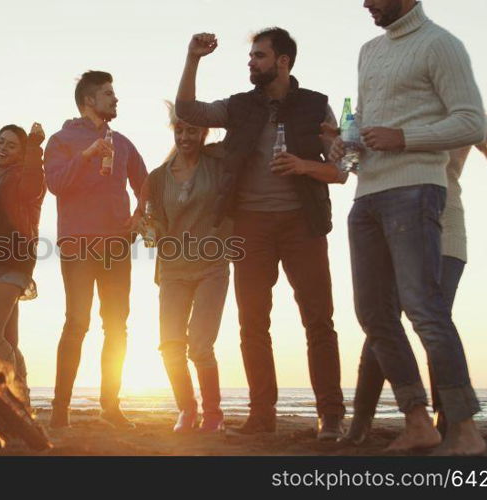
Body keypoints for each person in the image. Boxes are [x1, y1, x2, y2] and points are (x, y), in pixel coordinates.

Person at [331, 0, 487, 455]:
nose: (365, 3)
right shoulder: (368, 51)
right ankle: (417, 421)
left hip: (416, 187)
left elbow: (472, 121)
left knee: (425, 310)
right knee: (374, 315)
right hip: (367, 196)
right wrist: (348, 143)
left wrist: (405, 137)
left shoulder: (441, 45)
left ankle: (465, 431)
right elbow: (365, 118)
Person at [176, 28, 348, 439]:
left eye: (259, 56)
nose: (251, 62)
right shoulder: (238, 106)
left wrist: (304, 166)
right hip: (250, 226)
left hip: (302, 225)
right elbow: (187, 110)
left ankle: (330, 416)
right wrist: (193, 58)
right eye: (251, 56)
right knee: (252, 324)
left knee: (319, 321)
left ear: (283, 61)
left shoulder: (317, 106)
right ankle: (261, 415)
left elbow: (340, 170)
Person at [340, 117, 487, 445]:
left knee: (432, 322)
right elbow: (366, 168)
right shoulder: (399, 104)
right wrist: (347, 149)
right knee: (381, 324)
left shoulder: (462, 109)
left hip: (445, 233)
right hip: (394, 230)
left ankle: (447, 419)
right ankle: (361, 421)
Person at [45, 70, 148, 429]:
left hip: (117, 246)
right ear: (89, 100)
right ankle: (60, 408)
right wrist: (87, 153)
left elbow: (145, 183)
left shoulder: (123, 142)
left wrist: (139, 215)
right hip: (77, 244)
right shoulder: (61, 140)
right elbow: (56, 184)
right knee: (77, 323)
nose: (114, 99)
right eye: (107, 94)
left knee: (117, 326)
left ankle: (111, 406)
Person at [142, 103, 231, 433]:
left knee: (200, 344)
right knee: (170, 344)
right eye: (179, 130)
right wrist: (148, 227)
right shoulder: (157, 177)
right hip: (173, 270)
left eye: (192, 130)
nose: (185, 136)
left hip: (212, 265)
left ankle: (213, 413)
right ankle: (187, 409)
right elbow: (153, 222)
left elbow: (241, 139)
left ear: (204, 132)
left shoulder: (218, 164)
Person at [0, 123, 46, 410]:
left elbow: (34, 187)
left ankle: (15, 398)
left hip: (11, 261)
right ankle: (22, 403)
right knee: (8, 338)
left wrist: (34, 148)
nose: (2, 148)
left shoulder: (22, 176)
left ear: (21, 154)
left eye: (11, 145)